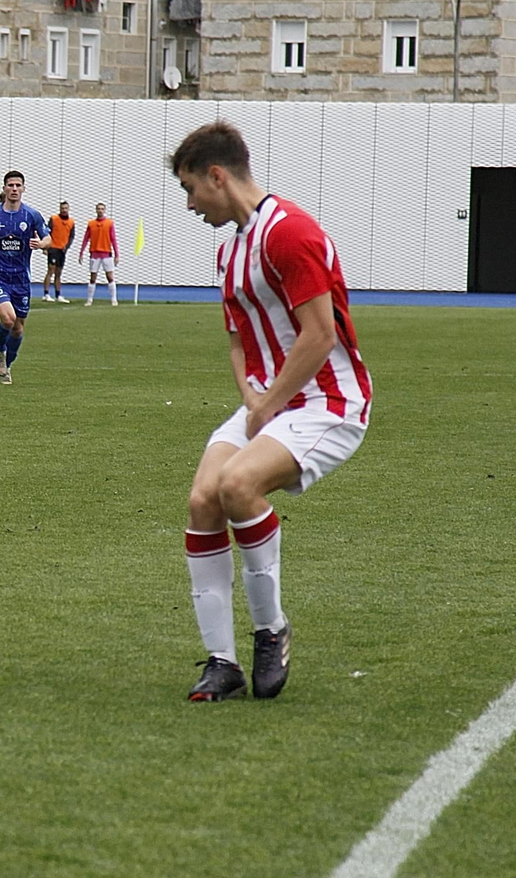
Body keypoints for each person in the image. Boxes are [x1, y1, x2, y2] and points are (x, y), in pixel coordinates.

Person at [174, 121, 372, 703]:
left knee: (238, 485)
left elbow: (319, 333)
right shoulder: (229, 249)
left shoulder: (291, 233)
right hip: (270, 403)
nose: (190, 205)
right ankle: (222, 662)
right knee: (203, 498)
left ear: (218, 176)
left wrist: (267, 402)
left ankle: (271, 631)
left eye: (191, 189)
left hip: (328, 401)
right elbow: (236, 338)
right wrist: (253, 399)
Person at [0, 171, 50, 385]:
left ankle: (7, 365)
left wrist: (41, 244)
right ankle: (0, 350)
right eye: (10, 185)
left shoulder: (31, 215)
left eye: (18, 185)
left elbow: (48, 238)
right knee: (8, 319)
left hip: (21, 280)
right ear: (4, 188)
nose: (14, 189)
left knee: (18, 328)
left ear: (23, 188)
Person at [81, 201, 120, 306]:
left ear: (105, 210)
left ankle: (113, 299)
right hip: (94, 253)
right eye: (99, 209)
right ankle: (89, 299)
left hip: (106, 253)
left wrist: (117, 254)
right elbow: (86, 238)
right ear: (96, 210)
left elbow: (113, 239)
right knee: (93, 277)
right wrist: (81, 252)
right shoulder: (91, 224)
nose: (100, 211)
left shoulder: (109, 223)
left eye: (102, 209)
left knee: (110, 277)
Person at [42, 200, 75, 303]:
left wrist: (67, 246)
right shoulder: (54, 219)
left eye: (66, 208)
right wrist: (45, 247)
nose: (64, 210)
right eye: (62, 208)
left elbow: (71, 236)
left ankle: (58, 294)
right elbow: (47, 232)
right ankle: (46, 294)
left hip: (62, 250)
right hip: (53, 248)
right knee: (51, 270)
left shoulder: (71, 222)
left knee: (58, 273)